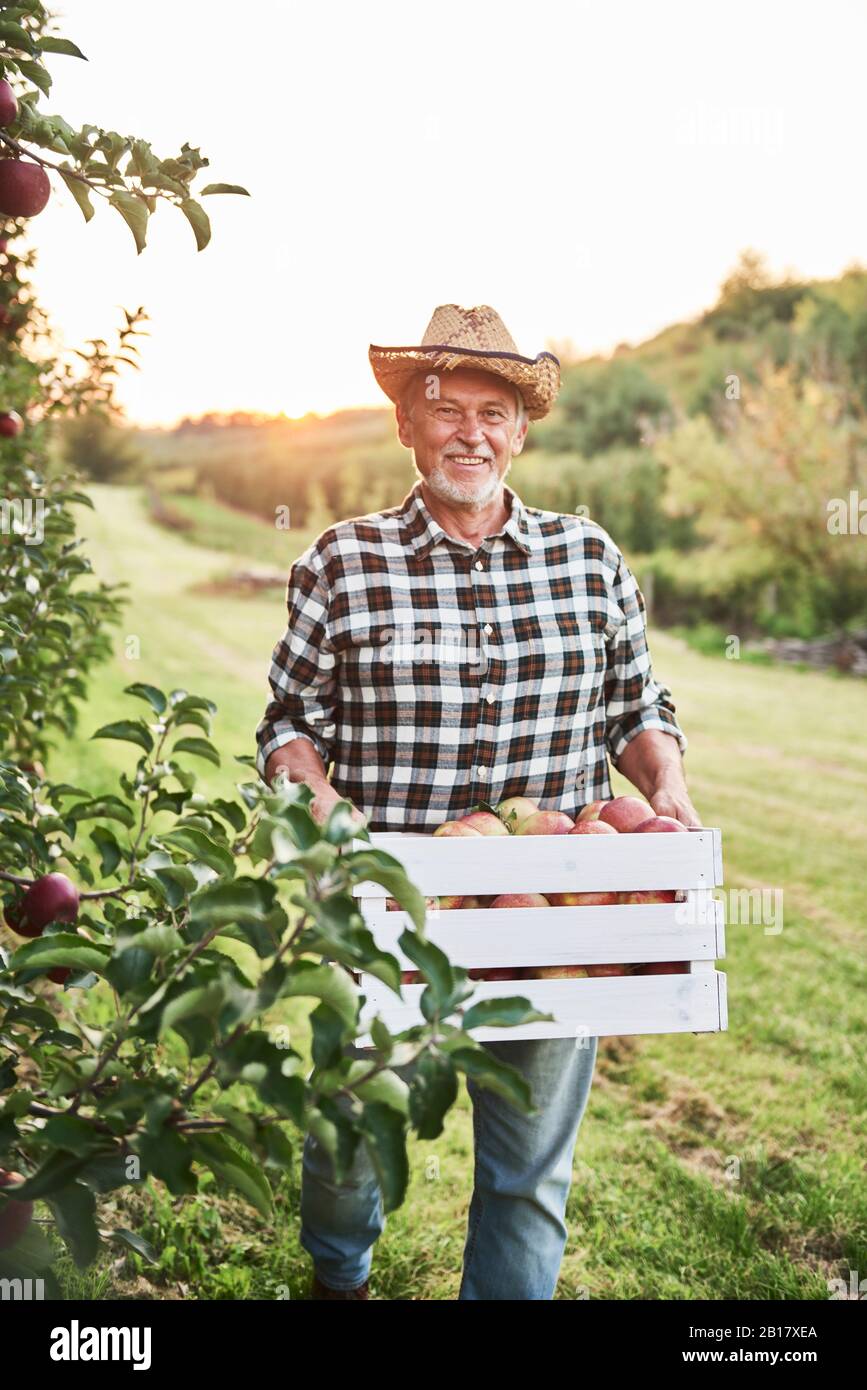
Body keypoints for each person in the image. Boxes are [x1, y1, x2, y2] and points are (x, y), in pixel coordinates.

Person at [255, 304, 700, 1300]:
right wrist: (322, 803)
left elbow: (636, 704)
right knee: (349, 1148)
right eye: (444, 407)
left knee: (530, 1172)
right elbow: (289, 723)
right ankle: (341, 1276)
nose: (469, 431)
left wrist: (665, 780)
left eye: (491, 411)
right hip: (389, 918)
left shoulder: (588, 558)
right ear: (406, 425)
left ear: (522, 430)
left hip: (551, 921)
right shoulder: (344, 560)